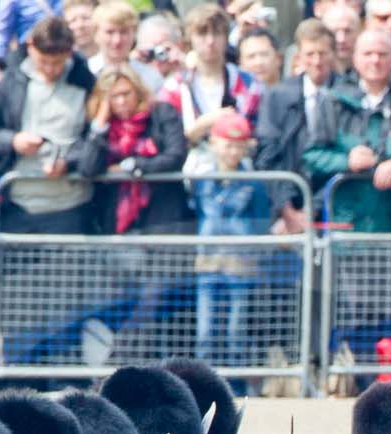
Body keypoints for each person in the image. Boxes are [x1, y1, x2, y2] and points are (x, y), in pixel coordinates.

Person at [302, 27, 391, 233]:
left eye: (382, 54)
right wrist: (347, 161)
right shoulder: (333, 100)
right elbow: (312, 155)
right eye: (368, 54)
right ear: (355, 59)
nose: (375, 60)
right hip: (351, 227)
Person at [0, 16, 95, 233]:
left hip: (69, 204)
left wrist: (69, 162)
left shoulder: (85, 82)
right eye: (43, 61)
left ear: (70, 51)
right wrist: (13, 140)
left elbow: (96, 137)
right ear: (31, 47)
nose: (51, 69)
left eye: (58, 62)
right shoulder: (11, 80)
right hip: (17, 201)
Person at [191, 111, 275, 371]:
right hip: (209, 261)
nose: (233, 152)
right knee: (205, 328)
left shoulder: (253, 181)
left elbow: (261, 216)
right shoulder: (202, 179)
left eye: (239, 146)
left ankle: (236, 379)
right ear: (215, 144)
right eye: (228, 144)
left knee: (236, 327)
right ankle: (204, 379)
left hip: (241, 262)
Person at [255, 17, 337, 231]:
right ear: (299, 57)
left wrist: (316, 208)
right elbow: (268, 155)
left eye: (323, 53)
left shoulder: (347, 92)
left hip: (335, 203)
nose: (317, 61)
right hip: (288, 208)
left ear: (333, 55)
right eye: (310, 54)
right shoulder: (278, 96)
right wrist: (287, 208)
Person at [82, 69, 191, 232]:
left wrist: (132, 165)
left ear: (138, 92)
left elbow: (175, 156)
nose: (121, 101)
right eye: (113, 96)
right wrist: (100, 124)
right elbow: (87, 168)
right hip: (117, 219)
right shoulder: (102, 128)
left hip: (163, 217)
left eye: (126, 94)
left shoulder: (161, 113)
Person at [163, 3, 264, 150]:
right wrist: (204, 123)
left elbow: (258, 132)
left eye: (217, 33)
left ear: (226, 37)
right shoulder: (175, 87)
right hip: (192, 167)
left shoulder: (248, 82)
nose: (210, 41)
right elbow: (169, 140)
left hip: (239, 167)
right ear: (190, 38)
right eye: (202, 33)